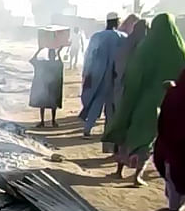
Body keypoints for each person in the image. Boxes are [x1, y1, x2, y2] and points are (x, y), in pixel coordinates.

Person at [103, 13, 185, 186]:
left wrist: (128, 95)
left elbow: (134, 75)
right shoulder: (180, 49)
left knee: (128, 130)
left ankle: (119, 171)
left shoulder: (146, 48)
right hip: (167, 101)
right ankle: (137, 176)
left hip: (142, 99)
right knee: (149, 138)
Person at [79, 12, 126, 137]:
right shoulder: (123, 37)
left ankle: (88, 128)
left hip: (97, 75)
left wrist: (86, 72)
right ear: (117, 22)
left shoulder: (97, 36)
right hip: (114, 76)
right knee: (111, 105)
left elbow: (89, 55)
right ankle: (109, 132)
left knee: (96, 101)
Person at [105, 18, 148, 153]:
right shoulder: (149, 47)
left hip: (121, 90)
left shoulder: (125, 44)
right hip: (139, 94)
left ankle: (117, 153)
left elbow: (117, 68)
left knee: (121, 120)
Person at [153, 69, 185, 211]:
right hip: (176, 144)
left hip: (176, 146)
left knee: (173, 179)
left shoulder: (176, 94)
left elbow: (165, 120)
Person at [29, 47, 64, 127]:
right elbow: (61, 64)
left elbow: (32, 60)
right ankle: (53, 121)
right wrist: (58, 53)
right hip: (53, 87)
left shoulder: (44, 63)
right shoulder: (57, 63)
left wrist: (39, 50)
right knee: (52, 105)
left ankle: (42, 121)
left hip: (45, 87)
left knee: (43, 104)